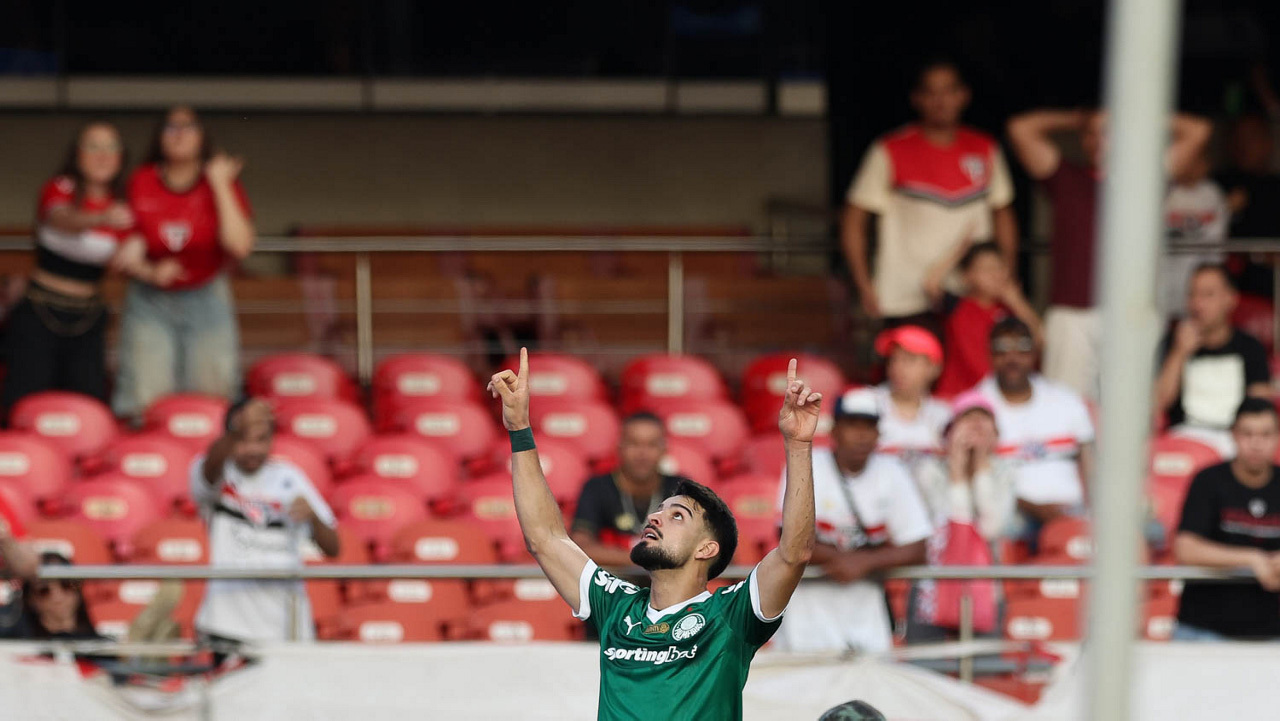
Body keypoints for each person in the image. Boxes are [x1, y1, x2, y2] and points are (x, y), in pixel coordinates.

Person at [488, 350, 819, 720]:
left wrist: (798, 445)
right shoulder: (616, 606)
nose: (656, 518)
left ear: (707, 548)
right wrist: (519, 429)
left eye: (677, 515)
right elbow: (545, 538)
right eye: (659, 510)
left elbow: (794, 553)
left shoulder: (730, 615)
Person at [1006, 108, 1211, 400]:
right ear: (1083, 139)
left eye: (1109, 132)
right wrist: (1076, 118)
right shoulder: (1065, 175)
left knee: (1132, 407)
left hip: (1131, 313)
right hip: (1072, 314)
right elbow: (1020, 127)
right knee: (1065, 405)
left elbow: (1198, 129)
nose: (1100, 139)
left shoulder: (1145, 178)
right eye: (1092, 133)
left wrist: (1134, 109)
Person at [842, 59, 1016, 335]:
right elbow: (854, 219)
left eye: (949, 91)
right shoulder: (890, 149)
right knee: (908, 376)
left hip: (970, 296)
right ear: (917, 98)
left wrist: (1006, 275)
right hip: (905, 298)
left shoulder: (985, 148)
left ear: (963, 96)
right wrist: (864, 284)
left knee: (970, 376)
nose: (941, 101)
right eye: (932, 93)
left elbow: (1004, 214)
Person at [113, 106, 255, 423]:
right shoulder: (142, 180)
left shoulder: (220, 183)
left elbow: (240, 245)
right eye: (170, 127)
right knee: (145, 398)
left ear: (202, 137)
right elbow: (122, 250)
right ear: (159, 137)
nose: (179, 134)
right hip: (150, 300)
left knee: (213, 395)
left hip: (206, 293)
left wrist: (219, 183)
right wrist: (148, 269)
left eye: (188, 127)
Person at [773, 387, 931, 654]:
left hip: (867, 603)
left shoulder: (892, 471)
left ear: (879, 433)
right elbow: (787, 537)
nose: (861, 434)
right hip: (808, 605)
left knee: (868, 687)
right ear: (835, 430)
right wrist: (843, 560)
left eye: (868, 426)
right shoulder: (806, 464)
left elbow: (918, 547)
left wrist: (863, 562)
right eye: (852, 425)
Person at [1, 122, 135, 418]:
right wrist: (102, 218)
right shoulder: (61, 187)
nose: (103, 155)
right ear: (77, 154)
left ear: (121, 156)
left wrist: (138, 247)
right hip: (40, 309)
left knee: (87, 407)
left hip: (88, 316)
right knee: (26, 404)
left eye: (111, 147)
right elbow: (61, 219)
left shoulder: (126, 202)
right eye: (93, 147)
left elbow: (130, 257)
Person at [190, 397, 339, 643]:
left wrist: (313, 517)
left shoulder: (289, 476)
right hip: (226, 623)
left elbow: (333, 548)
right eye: (243, 440)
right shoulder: (214, 470)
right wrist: (237, 428)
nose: (253, 450)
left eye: (262, 440)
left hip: (286, 624)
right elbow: (208, 472)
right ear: (230, 436)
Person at [907, 391, 1017, 642]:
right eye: (967, 420)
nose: (975, 428)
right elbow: (945, 525)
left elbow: (992, 527)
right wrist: (956, 471)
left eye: (984, 422)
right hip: (932, 588)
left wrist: (980, 468)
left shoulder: (1005, 472)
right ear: (948, 433)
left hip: (985, 590)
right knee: (926, 672)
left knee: (982, 673)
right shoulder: (929, 472)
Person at [972, 318, 1095, 538]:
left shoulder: (1066, 401)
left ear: (1034, 354)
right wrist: (1035, 508)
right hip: (1010, 515)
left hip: (1071, 510)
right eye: (1002, 349)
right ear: (990, 354)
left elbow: (1091, 467)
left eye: (1022, 349)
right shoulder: (975, 407)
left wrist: (1094, 513)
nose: (1012, 358)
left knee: (1146, 532)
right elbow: (975, 478)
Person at [1173, 398, 1280, 641]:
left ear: (1277, 437)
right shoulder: (1208, 481)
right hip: (1203, 631)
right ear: (1233, 435)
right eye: (1248, 434)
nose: (1256, 443)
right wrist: (1252, 559)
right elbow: (1186, 548)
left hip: (1270, 635)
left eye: (1266, 434)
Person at [1154, 264, 1271, 457]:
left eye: (1208, 295)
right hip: (1184, 439)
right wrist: (1179, 353)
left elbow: (1260, 407)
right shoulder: (1172, 344)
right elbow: (1159, 403)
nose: (1197, 304)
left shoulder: (1250, 348)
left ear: (1230, 299)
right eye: (1192, 295)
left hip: (1236, 441)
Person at [571, 412, 686, 568]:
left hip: (669, 578)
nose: (642, 453)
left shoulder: (680, 488)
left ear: (664, 449)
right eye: (634, 443)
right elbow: (580, 545)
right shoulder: (597, 487)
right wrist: (642, 559)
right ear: (619, 447)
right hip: (613, 579)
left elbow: (696, 544)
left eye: (651, 445)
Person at [935, 242, 1041, 398]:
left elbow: (1039, 339)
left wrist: (1017, 302)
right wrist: (958, 251)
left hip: (1001, 398)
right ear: (967, 276)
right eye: (986, 268)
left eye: (999, 267)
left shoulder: (1011, 310)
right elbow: (930, 283)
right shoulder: (957, 306)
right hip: (958, 396)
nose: (995, 274)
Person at [1161, 152, 1227, 318]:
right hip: (1166, 277)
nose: (1194, 167)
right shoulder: (1165, 191)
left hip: (1200, 277)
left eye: (1199, 162)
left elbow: (1216, 239)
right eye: (1190, 161)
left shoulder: (1213, 193)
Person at [871, 326, 951, 463]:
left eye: (909, 360)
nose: (898, 367)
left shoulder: (944, 415)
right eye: (894, 359)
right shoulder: (867, 403)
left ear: (934, 368)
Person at [20, 552, 103, 641]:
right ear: (30, 598)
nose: (58, 597)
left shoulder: (105, 647)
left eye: (66, 584)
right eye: (44, 590)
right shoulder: (16, 645)